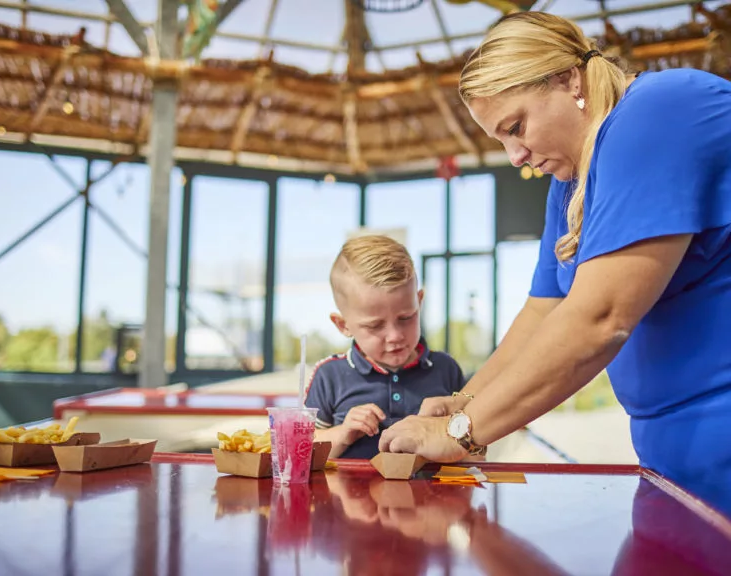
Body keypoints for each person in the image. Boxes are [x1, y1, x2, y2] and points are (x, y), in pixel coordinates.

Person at [378, 11, 731, 514]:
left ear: (568, 80)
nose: (515, 156)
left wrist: (460, 433)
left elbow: (599, 319)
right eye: (501, 140)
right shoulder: (570, 182)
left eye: (516, 127)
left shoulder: (660, 112)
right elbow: (545, 310)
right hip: (670, 472)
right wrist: (466, 401)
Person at [305, 234, 466, 459]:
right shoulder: (329, 375)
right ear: (343, 325)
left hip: (433, 493)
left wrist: (447, 431)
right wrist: (343, 433)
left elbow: (476, 450)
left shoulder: (446, 369)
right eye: (375, 325)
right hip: (350, 494)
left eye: (406, 318)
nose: (395, 336)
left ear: (419, 303)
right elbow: (301, 448)